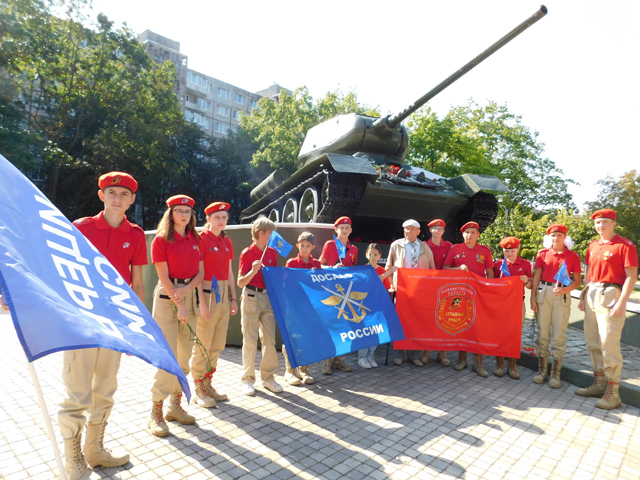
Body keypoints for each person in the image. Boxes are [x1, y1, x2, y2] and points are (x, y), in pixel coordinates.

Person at [58, 172, 147, 480]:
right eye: (112, 192)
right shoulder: (80, 228)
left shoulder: (136, 234)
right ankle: (73, 460)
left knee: (105, 390)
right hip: (82, 322)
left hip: (116, 324)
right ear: (101, 196)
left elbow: (137, 284)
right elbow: (59, 270)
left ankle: (95, 450)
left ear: (132, 200)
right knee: (77, 393)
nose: (117, 198)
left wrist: (137, 327)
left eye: (124, 194)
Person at [149, 195, 208, 437]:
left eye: (187, 211)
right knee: (168, 357)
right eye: (179, 210)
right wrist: (180, 301)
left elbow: (201, 272)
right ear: (171, 213)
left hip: (188, 294)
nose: (184, 215)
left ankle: (175, 406)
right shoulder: (161, 240)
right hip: (167, 298)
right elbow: (163, 277)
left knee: (183, 358)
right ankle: (156, 411)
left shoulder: (196, 238)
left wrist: (186, 292)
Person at [576, 209, 638, 409]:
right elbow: (588, 273)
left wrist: (622, 302)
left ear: (613, 224)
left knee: (608, 344)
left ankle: (613, 393)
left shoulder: (625, 246)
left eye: (604, 222)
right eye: (597, 222)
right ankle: (599, 383)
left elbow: (631, 276)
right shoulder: (593, 245)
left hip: (611, 295)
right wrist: (583, 296)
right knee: (593, 341)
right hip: (593, 293)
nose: (600, 226)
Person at [190, 202, 238, 407]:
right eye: (217, 217)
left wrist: (233, 298)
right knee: (203, 342)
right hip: (207, 294)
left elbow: (229, 272)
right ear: (207, 219)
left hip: (223, 294)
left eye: (224, 217)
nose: (221, 221)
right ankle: (198, 387)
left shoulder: (227, 241)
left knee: (217, 344)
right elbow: (197, 273)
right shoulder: (201, 239)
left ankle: (208, 383)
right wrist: (202, 303)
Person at [530, 223, 581, 388]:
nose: (556, 238)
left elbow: (578, 281)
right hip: (544, 292)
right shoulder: (542, 254)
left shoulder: (572, 256)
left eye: (559, 235)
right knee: (543, 333)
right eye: (553, 235)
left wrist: (565, 289)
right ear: (549, 237)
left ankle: (555, 374)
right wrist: (532, 298)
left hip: (562, 295)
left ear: (565, 237)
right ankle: (542, 370)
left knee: (559, 335)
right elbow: (536, 278)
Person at [443, 221, 495, 377]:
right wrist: (458, 269)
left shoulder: (485, 251)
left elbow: (490, 273)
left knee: (478, 327)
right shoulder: (455, 249)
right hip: (460, 294)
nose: (470, 235)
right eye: (467, 232)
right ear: (463, 234)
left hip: (479, 293)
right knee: (462, 323)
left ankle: (478, 363)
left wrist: (489, 290)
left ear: (478, 234)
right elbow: (445, 269)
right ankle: (462, 359)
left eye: (473, 232)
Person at [237, 216, 281, 396]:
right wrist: (253, 270)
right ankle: (247, 380)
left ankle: (268, 378)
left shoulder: (271, 253)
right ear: (260, 233)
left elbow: (275, 278)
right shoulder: (247, 253)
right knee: (249, 339)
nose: (272, 235)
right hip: (251, 296)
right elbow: (240, 282)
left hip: (268, 298)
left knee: (270, 340)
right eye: (270, 232)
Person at [387, 219, 435, 367]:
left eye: (412, 229)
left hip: (420, 292)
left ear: (418, 232)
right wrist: (392, 284)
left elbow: (432, 269)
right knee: (400, 322)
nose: (408, 231)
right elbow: (389, 266)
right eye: (406, 229)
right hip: (402, 290)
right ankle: (398, 354)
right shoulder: (396, 245)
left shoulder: (425, 247)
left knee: (417, 322)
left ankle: (414, 355)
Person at [319, 216, 358, 374]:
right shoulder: (329, 245)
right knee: (329, 325)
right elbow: (319, 265)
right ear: (336, 230)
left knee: (342, 326)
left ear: (350, 231)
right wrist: (332, 267)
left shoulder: (354, 249)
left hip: (345, 293)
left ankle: (338, 359)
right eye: (341, 227)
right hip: (329, 291)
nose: (344, 230)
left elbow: (353, 270)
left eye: (346, 227)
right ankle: (326, 361)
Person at [282, 231, 322, 385]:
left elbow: (320, 286)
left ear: (312, 247)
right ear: (298, 246)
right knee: (292, 337)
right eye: (302, 246)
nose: (304, 249)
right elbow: (284, 284)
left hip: (310, 307)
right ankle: (290, 370)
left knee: (308, 337)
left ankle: (304, 370)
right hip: (293, 306)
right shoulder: (291, 263)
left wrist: (314, 277)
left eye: (308, 246)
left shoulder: (316, 264)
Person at [493, 236, 532, 379]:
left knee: (515, 334)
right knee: (500, 332)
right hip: (501, 303)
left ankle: (512, 365)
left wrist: (526, 281)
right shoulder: (498, 264)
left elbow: (531, 284)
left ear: (518, 250)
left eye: (512, 251)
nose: (508, 254)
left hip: (517, 303)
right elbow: (492, 282)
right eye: (506, 251)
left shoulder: (525, 264)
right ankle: (499, 364)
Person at [358, 243, 397, 369]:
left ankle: (371, 355)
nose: (373, 256)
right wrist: (390, 272)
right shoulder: (362, 269)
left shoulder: (381, 270)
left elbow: (386, 287)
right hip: (364, 306)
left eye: (375, 254)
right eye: (370, 254)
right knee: (365, 332)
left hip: (377, 306)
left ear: (380, 255)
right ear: (366, 255)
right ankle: (362, 357)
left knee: (376, 331)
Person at [424, 218, 453, 366]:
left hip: (445, 288)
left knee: (444, 318)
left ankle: (442, 352)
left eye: (440, 229)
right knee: (429, 318)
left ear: (443, 231)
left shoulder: (449, 246)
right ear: (430, 230)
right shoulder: (424, 246)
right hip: (428, 287)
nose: (437, 231)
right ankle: (427, 351)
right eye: (434, 229)